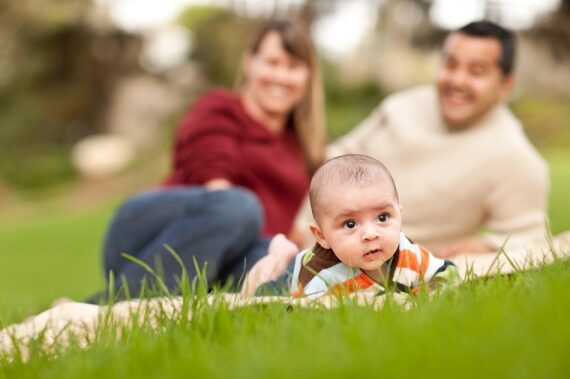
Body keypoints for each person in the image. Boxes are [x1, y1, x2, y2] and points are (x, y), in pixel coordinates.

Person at [87, 19, 326, 303]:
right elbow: (217, 186)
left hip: (229, 257)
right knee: (240, 206)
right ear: (250, 63)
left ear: (308, 76)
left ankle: (128, 306)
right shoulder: (221, 108)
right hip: (151, 238)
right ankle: (98, 308)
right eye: (272, 63)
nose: (280, 76)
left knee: (300, 271)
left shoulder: (306, 147)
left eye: (293, 67)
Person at [293, 20, 555, 264]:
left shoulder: (513, 155)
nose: (457, 80)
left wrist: (488, 244)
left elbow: (532, 238)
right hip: (301, 230)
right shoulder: (401, 107)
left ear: (505, 85)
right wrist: (297, 221)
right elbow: (338, 155)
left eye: (476, 72)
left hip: (372, 264)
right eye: (450, 65)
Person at [241, 155, 459, 298]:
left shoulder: (407, 253)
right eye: (350, 224)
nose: (370, 234)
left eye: (382, 217)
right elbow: (301, 316)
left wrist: (430, 293)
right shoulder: (320, 279)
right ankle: (278, 258)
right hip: (293, 278)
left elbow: (447, 272)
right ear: (321, 235)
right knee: (261, 292)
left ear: (399, 213)